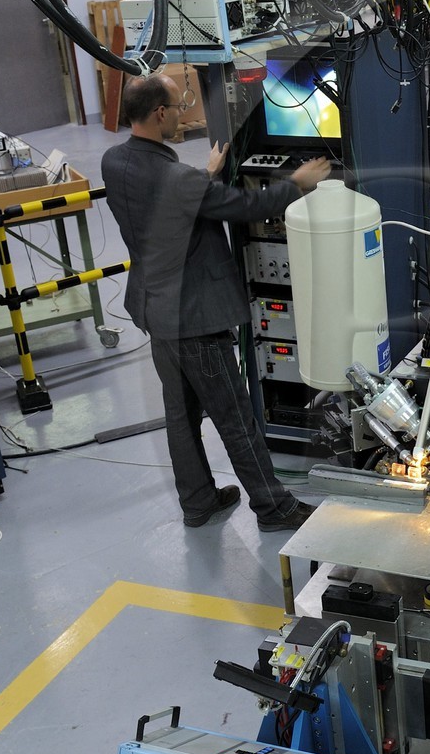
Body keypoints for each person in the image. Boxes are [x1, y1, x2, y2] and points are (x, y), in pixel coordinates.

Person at [102, 71, 330, 531]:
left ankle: (198, 501)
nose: (184, 111)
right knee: (236, 418)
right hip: (196, 319)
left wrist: (201, 180)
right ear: (160, 113)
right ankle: (274, 508)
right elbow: (247, 208)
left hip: (156, 313)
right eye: (177, 103)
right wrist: (297, 182)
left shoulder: (113, 162)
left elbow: (164, 205)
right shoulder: (178, 179)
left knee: (180, 415)